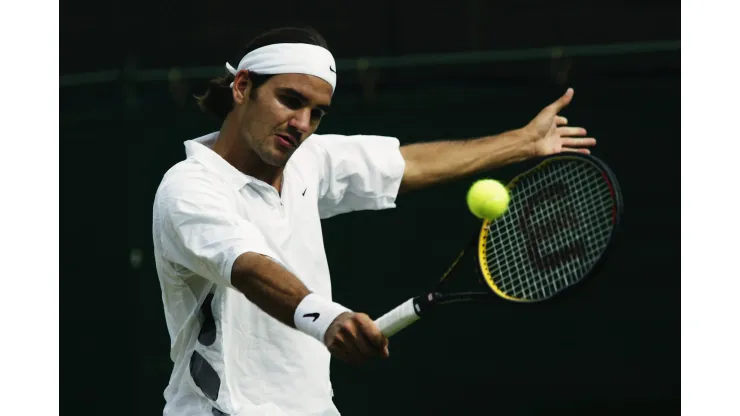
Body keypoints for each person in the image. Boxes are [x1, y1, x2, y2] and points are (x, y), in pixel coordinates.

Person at [152, 26, 595, 416]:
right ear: (243, 87)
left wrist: (523, 142)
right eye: (290, 100)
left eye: (317, 112)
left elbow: (408, 164)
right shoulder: (189, 187)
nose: (302, 124)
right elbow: (247, 266)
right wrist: (326, 319)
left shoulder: (308, 161)